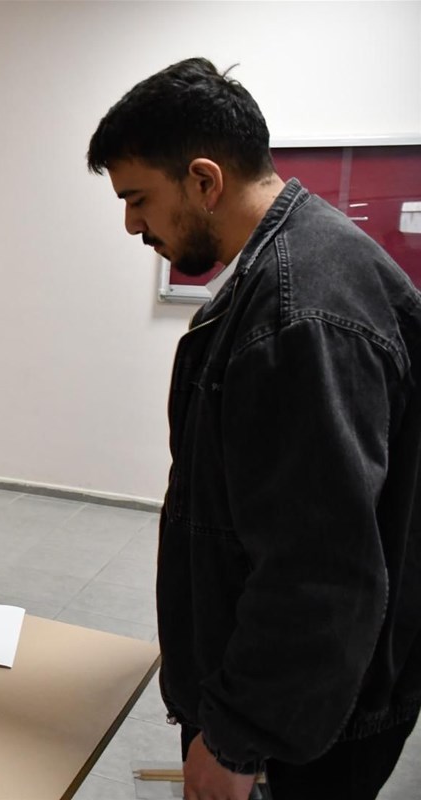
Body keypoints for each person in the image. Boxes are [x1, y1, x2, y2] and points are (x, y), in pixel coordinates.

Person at [87, 58, 421, 800]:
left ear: (204, 180)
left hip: (309, 726)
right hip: (315, 702)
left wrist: (239, 739)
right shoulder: (299, 264)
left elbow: (320, 567)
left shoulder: (299, 314)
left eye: (139, 199)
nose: (133, 224)